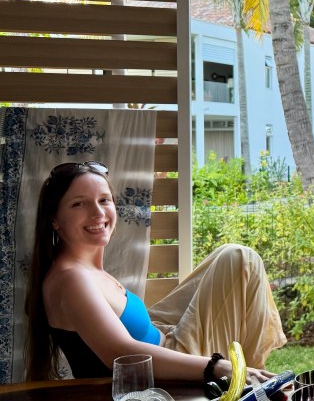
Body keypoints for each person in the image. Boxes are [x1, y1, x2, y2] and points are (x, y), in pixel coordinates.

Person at [24, 161, 287, 384]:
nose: (98, 212)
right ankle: (251, 377)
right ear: (54, 219)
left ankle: (252, 377)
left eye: (104, 200)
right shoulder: (72, 279)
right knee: (239, 258)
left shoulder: (83, 270)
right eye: (79, 204)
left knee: (224, 258)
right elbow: (120, 353)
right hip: (158, 377)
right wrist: (217, 366)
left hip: (162, 334)